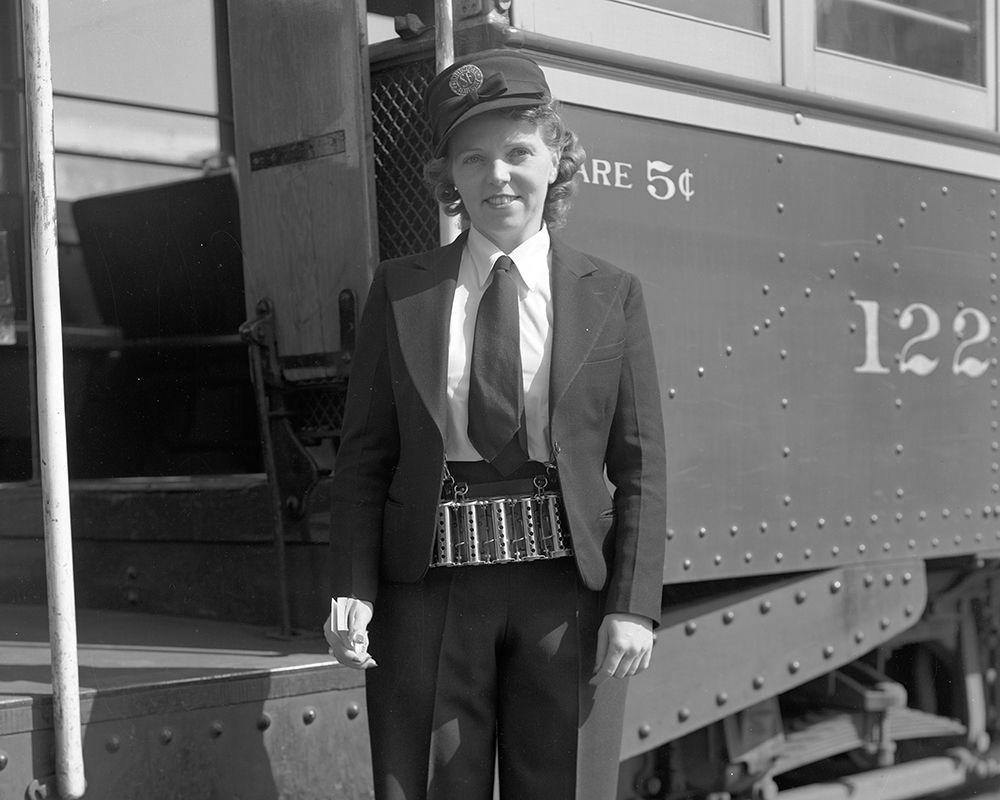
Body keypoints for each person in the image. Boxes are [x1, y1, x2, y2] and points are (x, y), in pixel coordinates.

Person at [324, 48, 666, 800]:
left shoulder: (613, 294)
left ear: (556, 161)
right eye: (471, 160)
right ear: (449, 179)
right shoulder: (402, 291)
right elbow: (364, 456)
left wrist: (633, 606)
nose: (496, 176)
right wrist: (353, 585)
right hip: (429, 594)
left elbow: (641, 465)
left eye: (518, 152)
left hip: (564, 595)